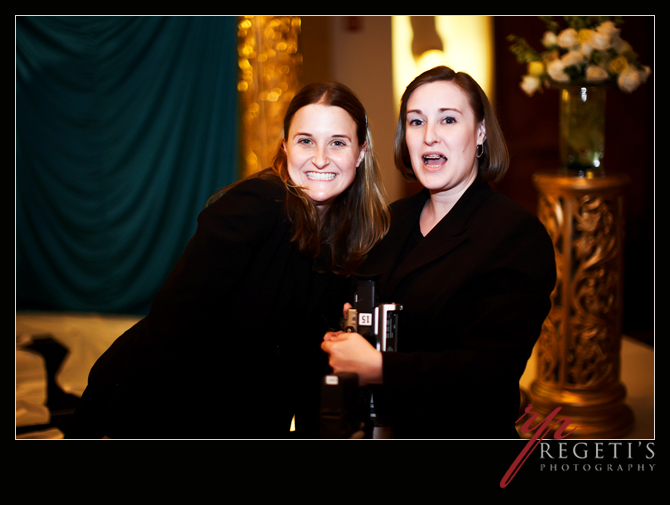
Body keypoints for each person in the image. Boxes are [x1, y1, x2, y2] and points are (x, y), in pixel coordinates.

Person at [68, 81, 390, 439]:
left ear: (360, 153)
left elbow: (308, 365)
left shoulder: (346, 241)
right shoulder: (256, 205)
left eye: (337, 143)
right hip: (151, 408)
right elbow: (172, 324)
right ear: (285, 147)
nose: (320, 158)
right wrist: (123, 429)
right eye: (305, 141)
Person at [321, 66, 556, 439]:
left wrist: (380, 366)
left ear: (479, 133)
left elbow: (492, 373)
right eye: (416, 122)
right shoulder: (389, 220)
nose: (429, 136)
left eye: (448, 119)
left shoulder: (515, 234)